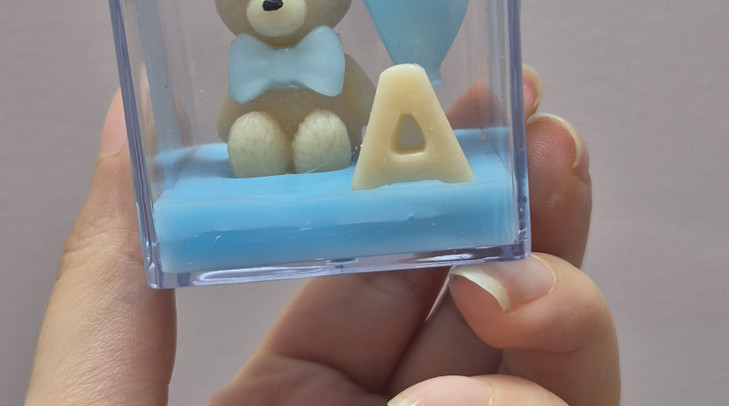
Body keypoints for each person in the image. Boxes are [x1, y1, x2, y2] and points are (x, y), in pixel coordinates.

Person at [24, 68, 619, 406]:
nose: (273, 1)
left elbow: (357, 97)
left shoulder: (331, 62)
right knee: (253, 135)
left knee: (326, 135)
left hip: (336, 142)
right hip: (268, 149)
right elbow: (231, 117)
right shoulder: (250, 69)